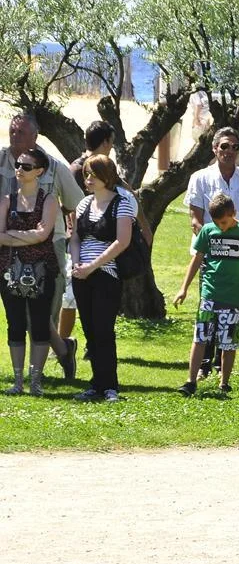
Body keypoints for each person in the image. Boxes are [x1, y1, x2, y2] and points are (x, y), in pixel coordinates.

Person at [1, 113, 84, 377]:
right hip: (6, 247)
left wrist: (51, 215)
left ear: (35, 137)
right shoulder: (0, 160)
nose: (15, 136)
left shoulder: (55, 167)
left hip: (46, 246)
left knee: (40, 306)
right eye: (12, 131)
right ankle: (62, 349)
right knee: (16, 307)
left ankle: (42, 364)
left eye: (21, 132)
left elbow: (77, 202)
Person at [173, 193, 239, 396]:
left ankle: (224, 382)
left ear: (233, 214)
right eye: (217, 222)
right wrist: (183, 288)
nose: (221, 226)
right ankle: (191, 380)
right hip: (209, 294)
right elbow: (196, 260)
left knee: (228, 341)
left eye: (224, 222)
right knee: (200, 337)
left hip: (233, 296)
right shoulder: (208, 231)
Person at [68, 155, 134, 402]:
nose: (88, 179)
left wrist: (93, 266)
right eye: (86, 174)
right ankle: (96, 384)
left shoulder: (121, 204)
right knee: (90, 331)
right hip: (81, 274)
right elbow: (75, 238)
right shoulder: (84, 204)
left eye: (93, 175)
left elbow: (122, 241)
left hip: (107, 274)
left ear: (106, 176)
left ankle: (110, 386)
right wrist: (77, 264)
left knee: (104, 330)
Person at [0, 147, 59, 395]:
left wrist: (11, 236)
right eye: (18, 165)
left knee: (39, 324)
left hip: (42, 270)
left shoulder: (49, 199)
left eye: (26, 166)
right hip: (8, 270)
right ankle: (17, 381)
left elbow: (43, 234)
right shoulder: (6, 200)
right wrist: (27, 236)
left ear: (39, 171)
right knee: (14, 324)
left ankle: (35, 381)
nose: (19, 170)